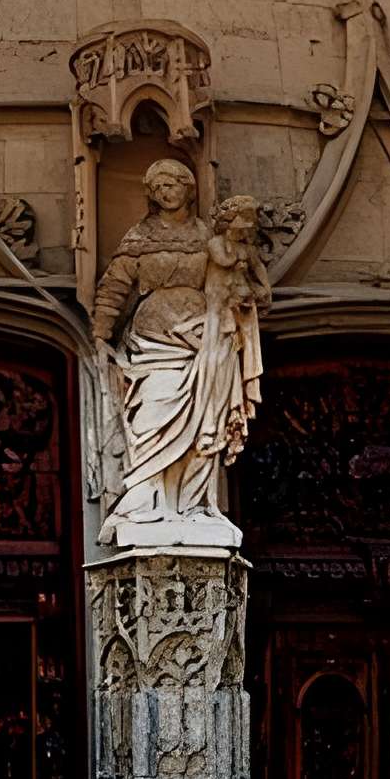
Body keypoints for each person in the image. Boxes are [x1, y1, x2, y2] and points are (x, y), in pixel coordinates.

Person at [92, 162, 267, 548]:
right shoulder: (140, 236)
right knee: (153, 417)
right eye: (158, 187)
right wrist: (101, 334)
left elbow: (237, 281)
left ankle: (192, 505)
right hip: (154, 339)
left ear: (189, 189)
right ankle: (147, 500)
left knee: (204, 419)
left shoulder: (209, 236)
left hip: (204, 339)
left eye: (173, 184)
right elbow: (115, 286)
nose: (166, 192)